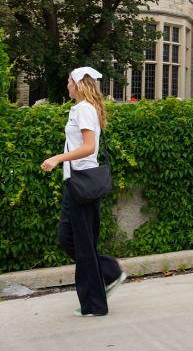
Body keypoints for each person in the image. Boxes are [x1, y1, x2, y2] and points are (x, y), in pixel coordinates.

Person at [40, 67, 125, 317]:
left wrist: (57, 158)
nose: (66, 84)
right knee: (68, 239)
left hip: (82, 183)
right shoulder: (81, 108)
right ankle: (108, 272)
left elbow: (89, 148)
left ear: (78, 84)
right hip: (76, 182)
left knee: (82, 243)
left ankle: (95, 303)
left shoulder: (85, 109)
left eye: (69, 80)